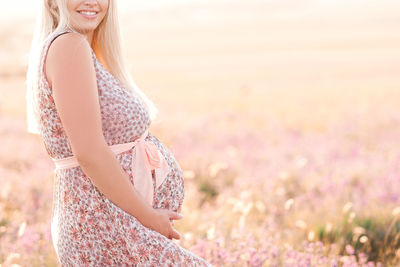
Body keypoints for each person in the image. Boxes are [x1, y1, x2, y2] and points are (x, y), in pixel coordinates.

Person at [25, 0, 213, 266]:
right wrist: (148, 217)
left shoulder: (83, 49)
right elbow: (89, 152)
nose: (92, 2)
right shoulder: (69, 46)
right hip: (105, 222)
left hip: (115, 221)